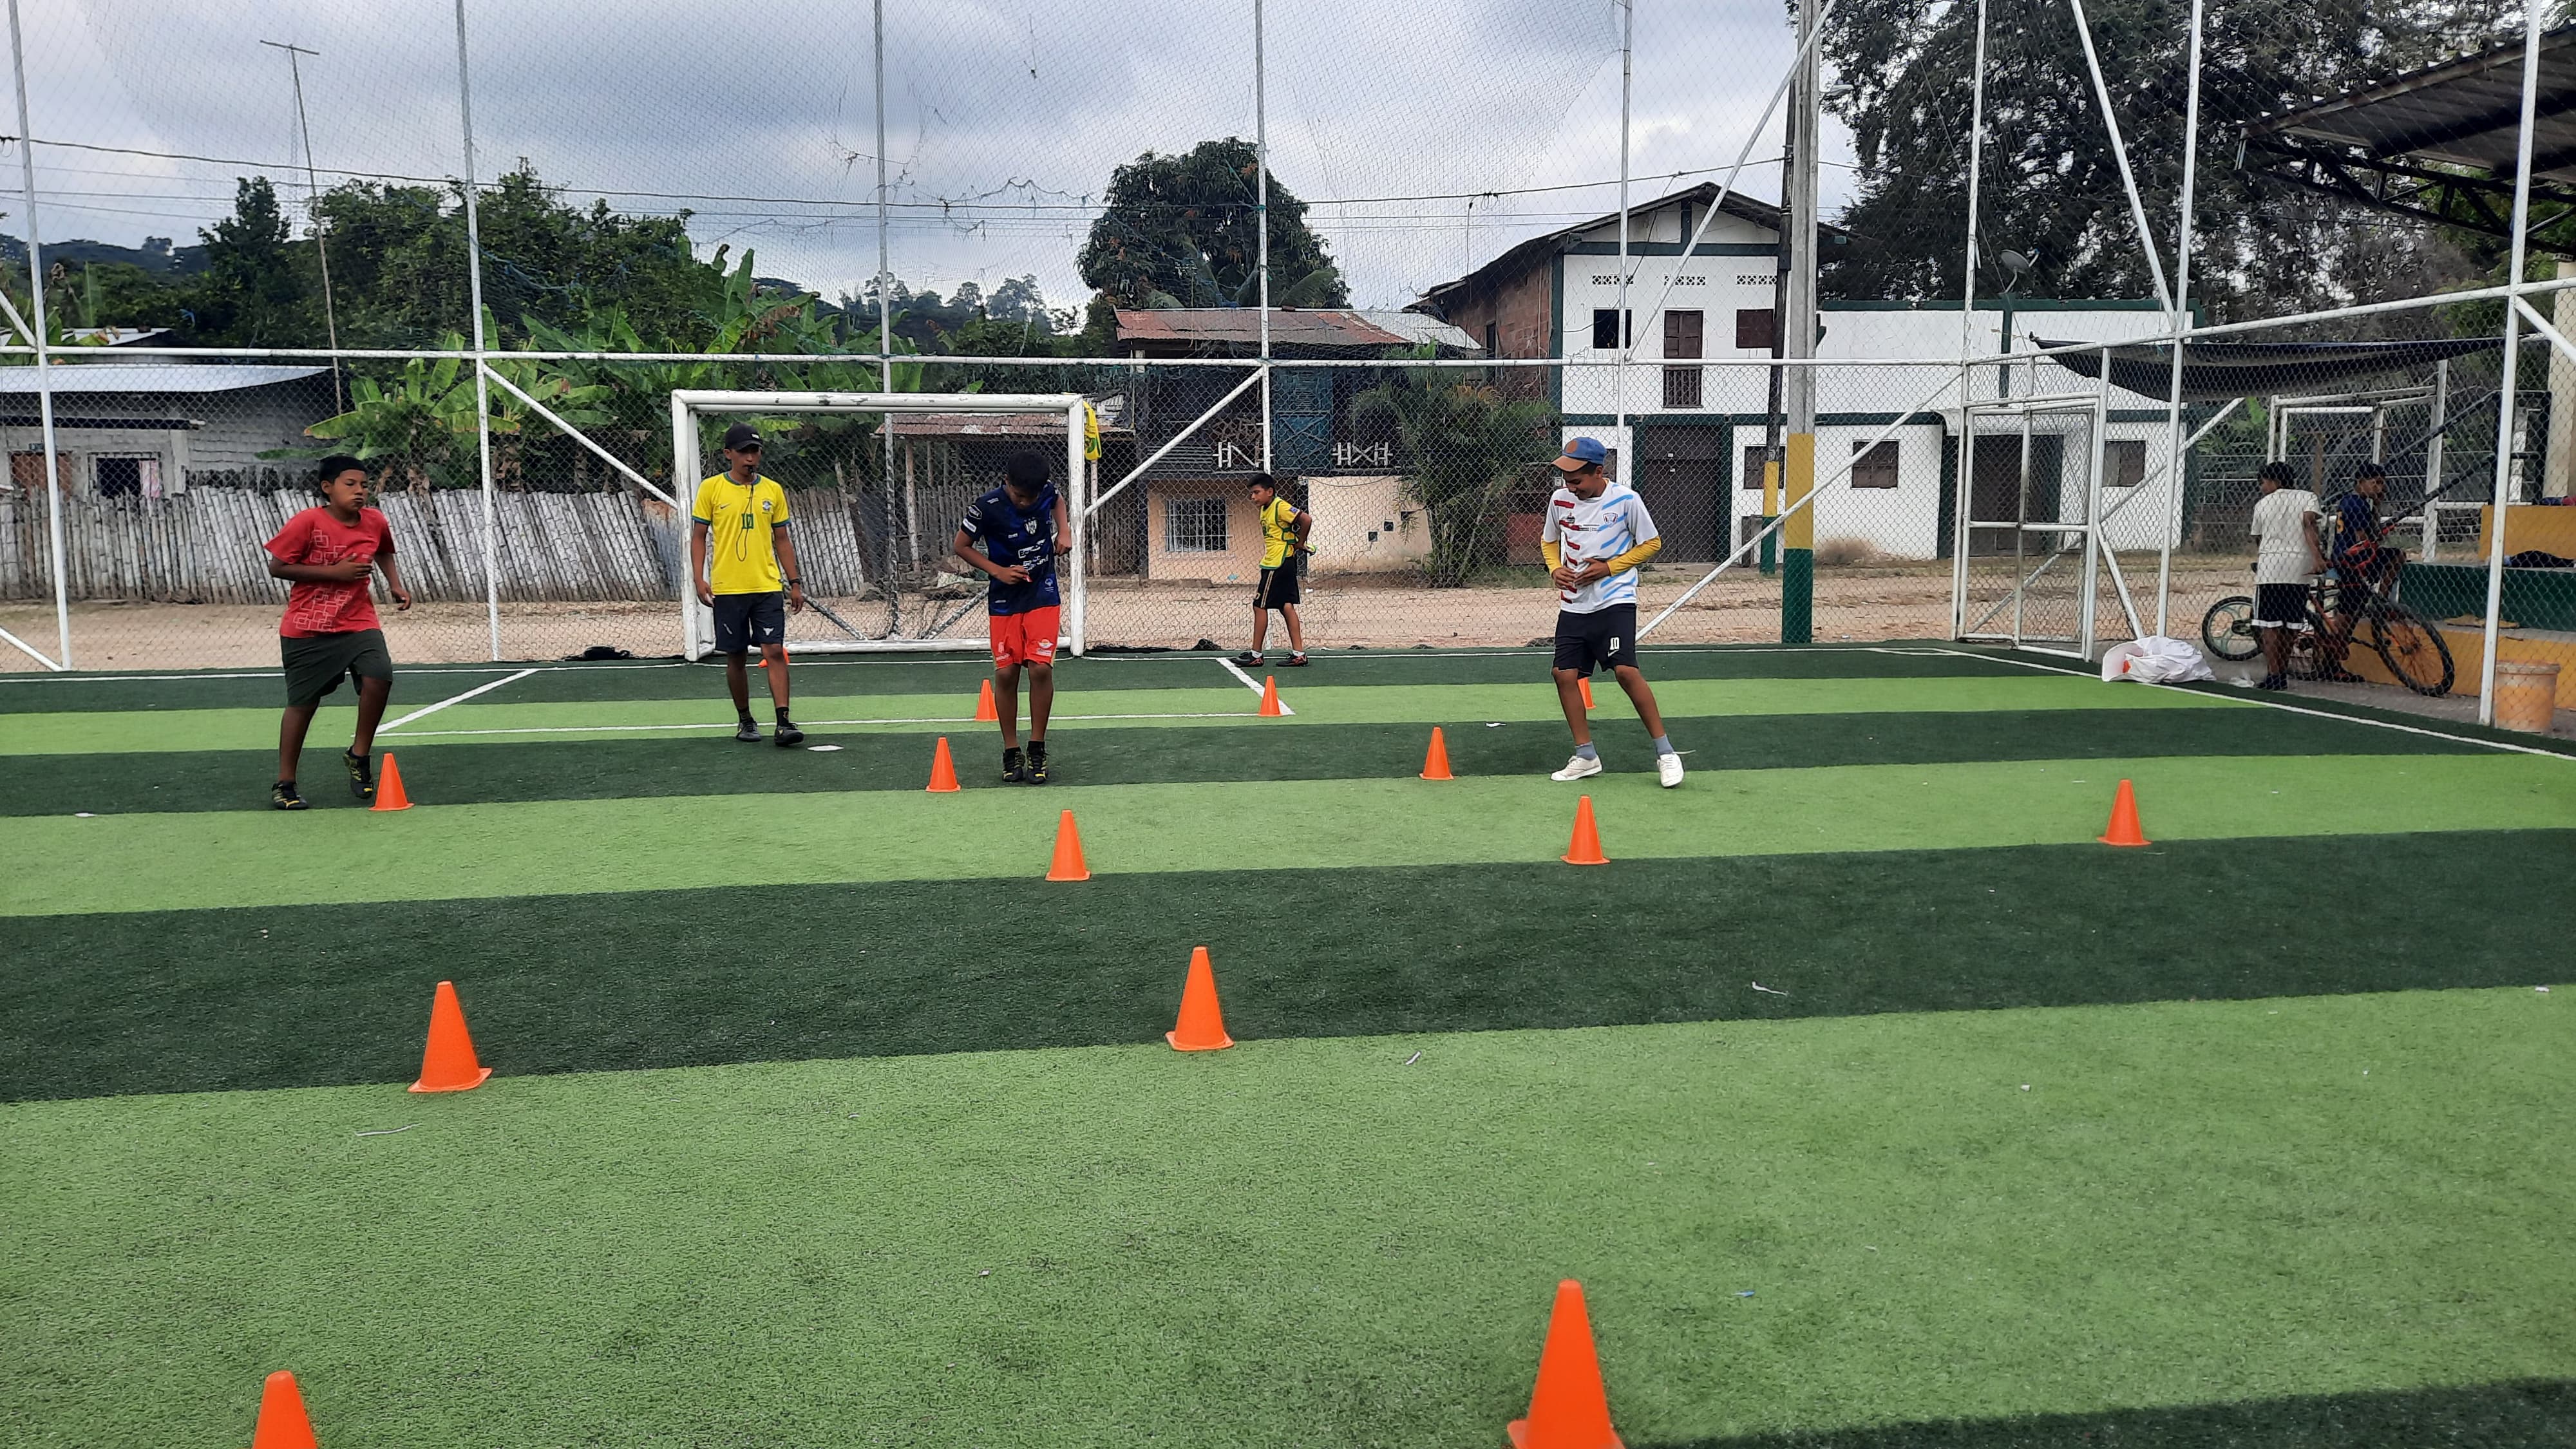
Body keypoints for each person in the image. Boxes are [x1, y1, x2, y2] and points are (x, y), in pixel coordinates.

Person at [262, 455, 412, 810]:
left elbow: (384, 551)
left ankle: (358, 755)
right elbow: (277, 567)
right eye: (350, 484)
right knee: (303, 705)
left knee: (379, 676)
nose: (360, 491)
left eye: (364, 485)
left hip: (358, 620)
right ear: (327, 488)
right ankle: (285, 783)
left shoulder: (374, 521)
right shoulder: (307, 522)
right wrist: (335, 573)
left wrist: (395, 584)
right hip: (307, 627)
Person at [1540, 437, 1683, 787]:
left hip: (1615, 599)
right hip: (1574, 603)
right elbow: (1548, 541)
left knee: (1625, 671)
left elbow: (1651, 543)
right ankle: (1586, 756)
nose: (1570, 487)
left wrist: (1609, 568)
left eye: (1577, 480)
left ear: (1599, 472)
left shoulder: (1627, 500)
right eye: (1566, 480)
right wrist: (1554, 569)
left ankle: (1666, 753)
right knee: (1563, 675)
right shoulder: (1559, 501)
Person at [954, 450, 1073, 784]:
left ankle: (1037, 747)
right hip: (1005, 601)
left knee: (1040, 668)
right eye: (1020, 496)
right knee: (1007, 674)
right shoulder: (986, 507)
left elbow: (1057, 499)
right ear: (1006, 482)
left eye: (1031, 498)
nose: (1025, 503)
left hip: (1042, 594)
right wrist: (998, 571)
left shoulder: (1045, 492)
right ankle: (1011, 749)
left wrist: (1064, 530)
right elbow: (961, 546)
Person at [690, 422, 806, 746]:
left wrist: (794, 582)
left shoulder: (773, 490)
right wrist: (699, 578)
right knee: (736, 655)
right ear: (728, 454)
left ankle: (784, 722)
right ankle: (745, 719)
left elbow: (782, 539)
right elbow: (698, 537)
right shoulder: (711, 489)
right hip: (728, 589)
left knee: (774, 651)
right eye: (743, 452)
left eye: (755, 451)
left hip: (766, 586)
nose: (750, 458)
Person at [2248, 459, 2329, 692]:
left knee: (2269, 625)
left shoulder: (2263, 504)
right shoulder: (2308, 497)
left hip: (2271, 567)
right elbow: (2309, 523)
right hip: (2300, 566)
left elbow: (2258, 537)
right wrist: (2318, 557)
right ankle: (2282, 671)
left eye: (2263, 482)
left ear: (2274, 481)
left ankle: (2274, 674)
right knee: (2291, 623)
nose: (2262, 487)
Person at [1238, 473, 1311, 668]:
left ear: (1269, 492)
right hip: (1280, 561)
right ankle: (1299, 654)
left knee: (1259, 606)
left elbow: (1306, 519)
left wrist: (1300, 543)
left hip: (1277, 563)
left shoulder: (1280, 506)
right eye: (1252, 493)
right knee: (1286, 606)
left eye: (1257, 492)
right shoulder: (1265, 508)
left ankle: (1256, 655)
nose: (1253, 497)